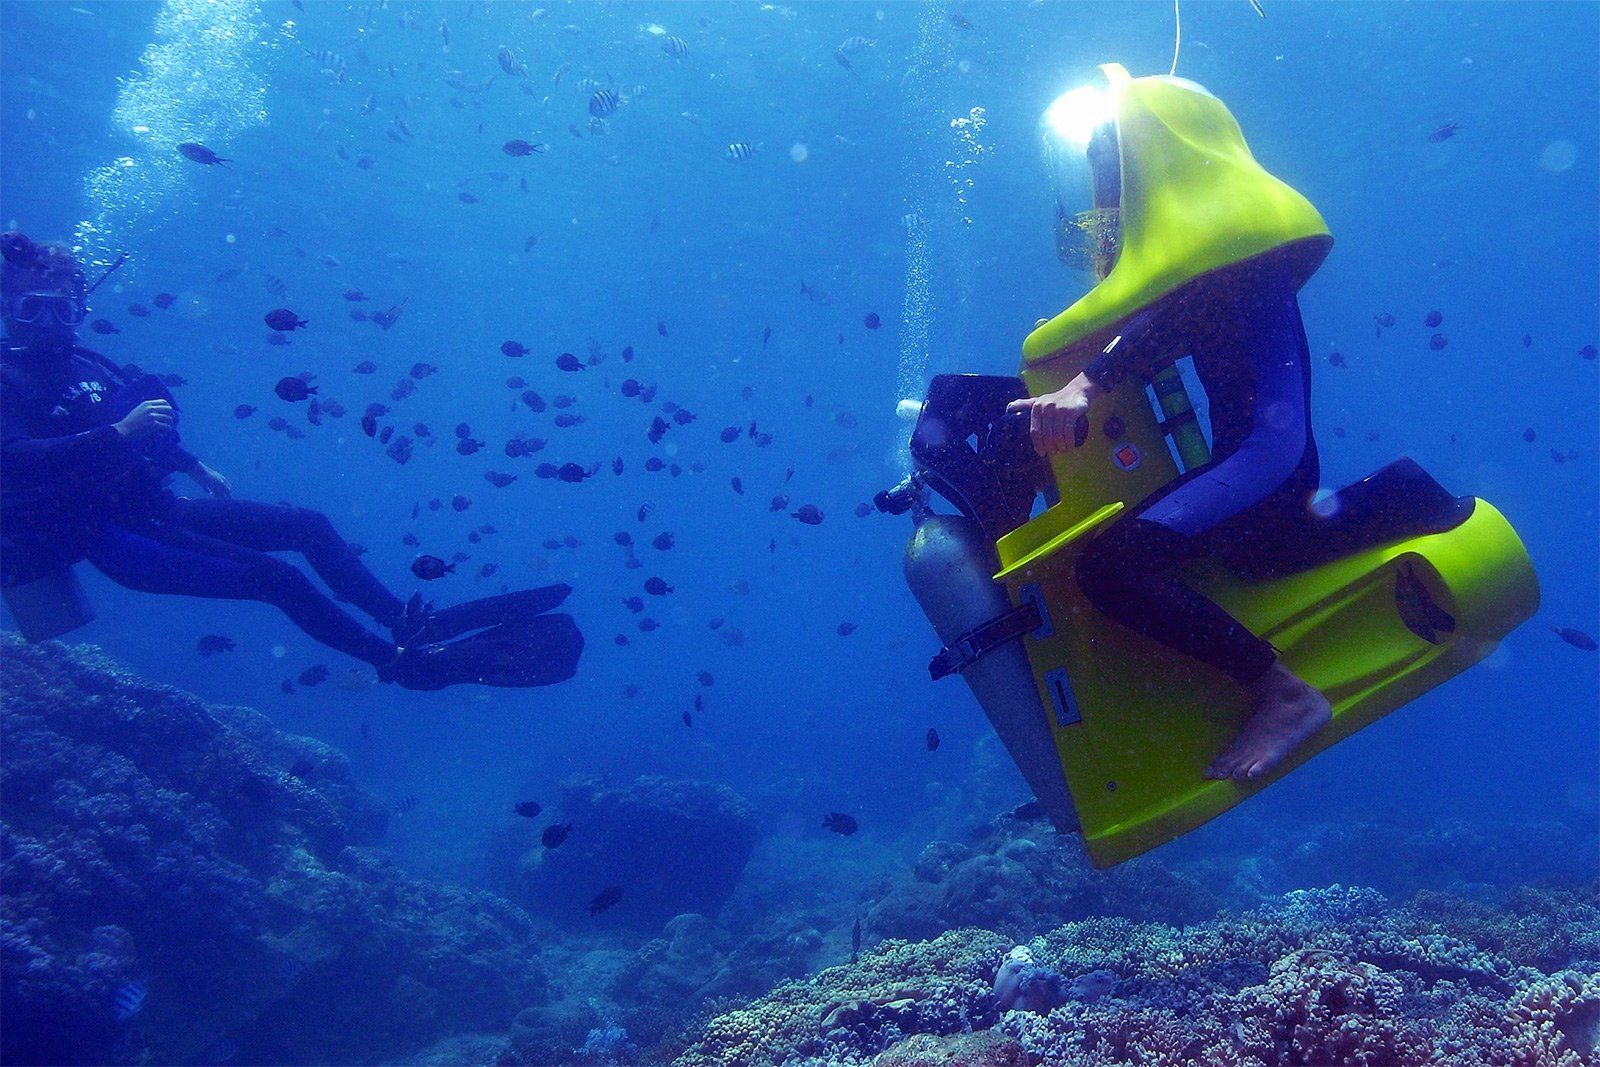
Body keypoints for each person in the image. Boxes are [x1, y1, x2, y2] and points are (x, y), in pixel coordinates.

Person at [0, 231, 581, 690]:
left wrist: (190, 464)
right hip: (113, 539)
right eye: (33, 309)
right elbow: (15, 461)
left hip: (158, 508)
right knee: (279, 580)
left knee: (309, 526)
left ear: (82, 303)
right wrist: (119, 434)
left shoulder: (91, 363)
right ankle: (398, 663)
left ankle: (407, 621)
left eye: (64, 307)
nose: (52, 323)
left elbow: (140, 427)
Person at [1007, 70, 1332, 782]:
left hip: (1266, 462)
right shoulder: (1218, 246)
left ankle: (1283, 693)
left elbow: (1178, 316)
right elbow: (1166, 319)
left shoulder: (1230, 251)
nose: (1106, 191)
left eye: (1109, 166)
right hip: (1258, 459)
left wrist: (1085, 385)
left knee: (1111, 568)